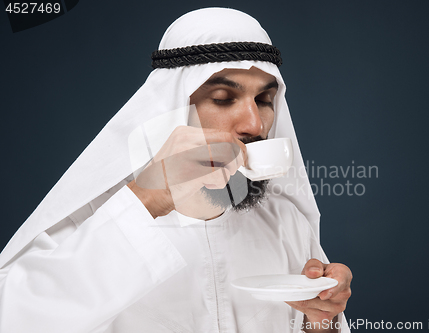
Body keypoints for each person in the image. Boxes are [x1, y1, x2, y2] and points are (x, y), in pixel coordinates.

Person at [0, 8, 352, 333]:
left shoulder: (286, 224)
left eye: (263, 100)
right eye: (223, 98)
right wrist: (151, 196)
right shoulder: (92, 219)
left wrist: (320, 321)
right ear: (171, 106)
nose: (254, 123)